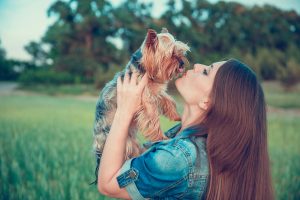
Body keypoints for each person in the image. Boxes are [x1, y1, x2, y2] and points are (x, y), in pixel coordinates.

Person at [97, 59, 274, 200]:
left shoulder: (179, 157)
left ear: (207, 102)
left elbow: (107, 184)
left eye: (206, 72)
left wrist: (124, 112)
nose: (196, 65)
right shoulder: (200, 146)